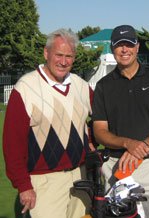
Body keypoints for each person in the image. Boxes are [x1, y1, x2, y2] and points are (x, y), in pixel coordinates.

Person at [3, 28, 93, 218]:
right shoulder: (25, 88)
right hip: (43, 182)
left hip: (80, 177)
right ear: (46, 53)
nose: (63, 61)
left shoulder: (80, 86)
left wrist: (91, 139)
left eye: (69, 56)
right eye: (58, 54)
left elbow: (103, 118)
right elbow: (12, 144)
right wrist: (23, 186)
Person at [92, 24, 149, 218]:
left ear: (137, 47)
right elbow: (100, 130)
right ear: (113, 49)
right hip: (116, 165)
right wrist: (127, 143)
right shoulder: (104, 86)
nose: (124, 50)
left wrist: (140, 148)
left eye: (129, 44)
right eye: (119, 45)